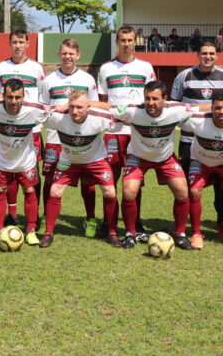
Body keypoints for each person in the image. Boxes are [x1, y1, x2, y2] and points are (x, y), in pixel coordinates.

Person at [91, 80, 209, 250]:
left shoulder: (176, 109)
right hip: (138, 157)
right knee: (129, 191)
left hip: (165, 158)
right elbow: (106, 107)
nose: (150, 103)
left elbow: (202, 107)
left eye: (155, 99)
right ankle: (131, 234)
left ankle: (180, 234)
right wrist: (85, 103)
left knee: (182, 190)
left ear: (165, 99)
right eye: (147, 98)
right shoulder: (132, 111)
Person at [39, 90, 119, 248]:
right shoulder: (58, 117)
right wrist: (57, 107)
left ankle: (112, 232)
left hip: (96, 160)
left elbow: (124, 115)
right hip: (69, 161)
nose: (75, 111)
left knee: (110, 192)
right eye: (72, 106)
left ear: (88, 107)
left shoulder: (100, 118)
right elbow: (38, 111)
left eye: (80, 107)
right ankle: (48, 233)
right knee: (55, 191)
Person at [97, 25, 156, 240]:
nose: (127, 44)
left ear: (135, 42)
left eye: (130, 40)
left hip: (136, 131)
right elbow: (103, 102)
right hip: (113, 131)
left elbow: (153, 98)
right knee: (109, 180)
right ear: (117, 42)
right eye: (123, 40)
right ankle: (108, 223)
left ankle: (135, 222)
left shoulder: (145, 67)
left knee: (134, 180)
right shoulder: (105, 69)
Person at [40, 38, 99, 237]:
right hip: (55, 138)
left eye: (71, 54)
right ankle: (46, 217)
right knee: (50, 180)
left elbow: (95, 107)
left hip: (82, 139)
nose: (67, 57)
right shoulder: (49, 80)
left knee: (87, 180)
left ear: (78, 56)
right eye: (64, 53)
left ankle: (90, 218)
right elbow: (44, 110)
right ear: (59, 55)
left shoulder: (87, 80)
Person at [0, 78, 50, 246]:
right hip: (3, 159)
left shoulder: (34, 110)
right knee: (1, 189)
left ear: (23, 96)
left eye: (18, 97)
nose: (14, 101)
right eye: (10, 97)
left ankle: (31, 230)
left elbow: (56, 110)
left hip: (25, 160)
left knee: (29, 190)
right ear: (3, 96)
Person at [171, 41, 223, 236]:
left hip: (218, 141)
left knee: (220, 189)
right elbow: (174, 105)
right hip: (188, 140)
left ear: (217, 55)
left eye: (211, 53)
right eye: (204, 53)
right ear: (197, 55)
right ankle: (184, 227)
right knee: (185, 187)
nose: (207, 56)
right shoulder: (184, 75)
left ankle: (220, 223)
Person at [0, 29, 45, 225]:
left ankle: (35, 215)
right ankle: (12, 214)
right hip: (10, 127)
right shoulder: (0, 68)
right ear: (10, 43)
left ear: (27, 44)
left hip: (32, 128)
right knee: (10, 171)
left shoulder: (37, 68)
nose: (18, 45)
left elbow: (41, 98)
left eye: (21, 41)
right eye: (14, 42)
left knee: (32, 171)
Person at [180, 92, 223, 249]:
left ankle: (221, 224)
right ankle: (197, 233)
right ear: (211, 108)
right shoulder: (197, 119)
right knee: (194, 192)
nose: (221, 112)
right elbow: (176, 114)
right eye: (217, 108)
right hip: (200, 161)